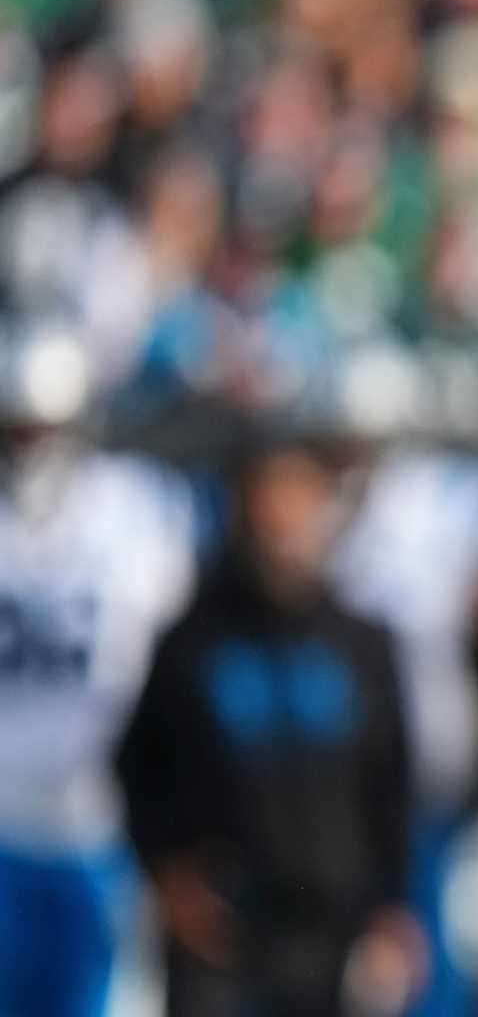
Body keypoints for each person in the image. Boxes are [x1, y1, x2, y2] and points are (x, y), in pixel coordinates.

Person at [115, 438, 421, 1017]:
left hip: (332, 927)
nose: (283, 526)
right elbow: (136, 763)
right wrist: (165, 875)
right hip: (224, 927)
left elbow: (395, 783)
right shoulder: (193, 641)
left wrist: (392, 911)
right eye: (268, 508)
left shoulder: (364, 645)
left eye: (298, 507)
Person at [0, 322, 195, 1017]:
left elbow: (180, 669)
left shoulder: (139, 509)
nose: (31, 451)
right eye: (17, 431)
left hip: (104, 824)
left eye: (44, 430)